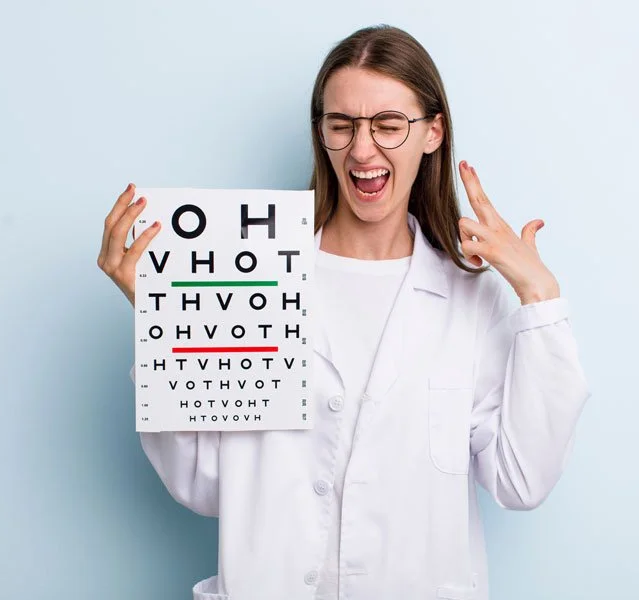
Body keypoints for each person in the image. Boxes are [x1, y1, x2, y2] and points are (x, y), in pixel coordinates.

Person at [97, 24, 591, 600]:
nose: (362, 150)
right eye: (342, 126)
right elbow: (202, 486)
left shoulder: (473, 299)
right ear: (321, 135)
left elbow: (521, 480)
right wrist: (167, 324)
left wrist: (539, 297)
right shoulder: (249, 277)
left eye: (388, 125)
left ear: (433, 132)